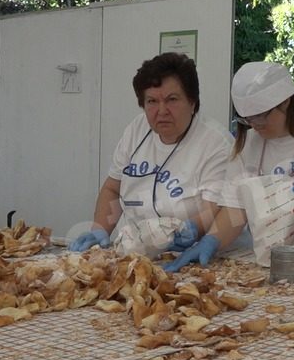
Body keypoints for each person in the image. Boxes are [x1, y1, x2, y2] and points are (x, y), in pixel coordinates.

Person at [165, 61, 294, 271]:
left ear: (286, 101)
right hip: (276, 263)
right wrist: (211, 240)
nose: (255, 125)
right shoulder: (248, 146)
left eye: (261, 116)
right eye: (247, 120)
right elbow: (235, 210)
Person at [69, 52, 231, 253]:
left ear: (192, 102)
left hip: (196, 254)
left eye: (172, 99)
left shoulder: (216, 143)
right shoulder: (136, 130)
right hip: (138, 251)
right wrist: (100, 229)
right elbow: (113, 189)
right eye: (152, 101)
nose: (162, 110)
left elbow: (212, 209)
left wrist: (189, 232)